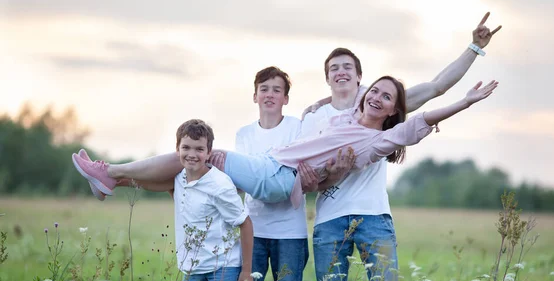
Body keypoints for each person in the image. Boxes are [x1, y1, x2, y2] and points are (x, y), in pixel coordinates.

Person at [297, 13, 502, 281]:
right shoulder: (314, 117)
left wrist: (474, 47)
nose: (340, 72)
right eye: (333, 68)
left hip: (374, 216)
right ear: (327, 77)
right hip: (329, 220)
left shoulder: (380, 104)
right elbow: (305, 176)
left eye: (347, 67)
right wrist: (331, 172)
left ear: (359, 77)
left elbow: (436, 87)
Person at [73, 76, 498, 209]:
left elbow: (426, 104)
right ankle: (115, 183)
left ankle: (112, 171)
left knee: (207, 156)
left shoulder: (379, 140)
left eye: (386, 96)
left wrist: (465, 100)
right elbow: (343, 100)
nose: (375, 95)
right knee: (193, 169)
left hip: (281, 177)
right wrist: (317, 103)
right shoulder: (348, 116)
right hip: (279, 172)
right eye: (375, 90)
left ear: (392, 111)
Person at [139, 119, 254, 281]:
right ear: (177, 150)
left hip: (222, 267)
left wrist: (247, 271)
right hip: (192, 267)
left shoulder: (220, 185)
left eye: (199, 149)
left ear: (209, 152)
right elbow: (156, 184)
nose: (192, 154)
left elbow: (245, 223)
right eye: (186, 148)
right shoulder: (179, 178)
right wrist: (118, 180)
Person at [234, 66, 311, 281]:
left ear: (285, 98)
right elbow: (246, 180)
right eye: (264, 89)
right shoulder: (244, 135)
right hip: (252, 231)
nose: (270, 94)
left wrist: (264, 177)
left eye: (277, 90)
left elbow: (294, 174)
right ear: (254, 96)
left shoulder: (297, 128)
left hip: (290, 233)